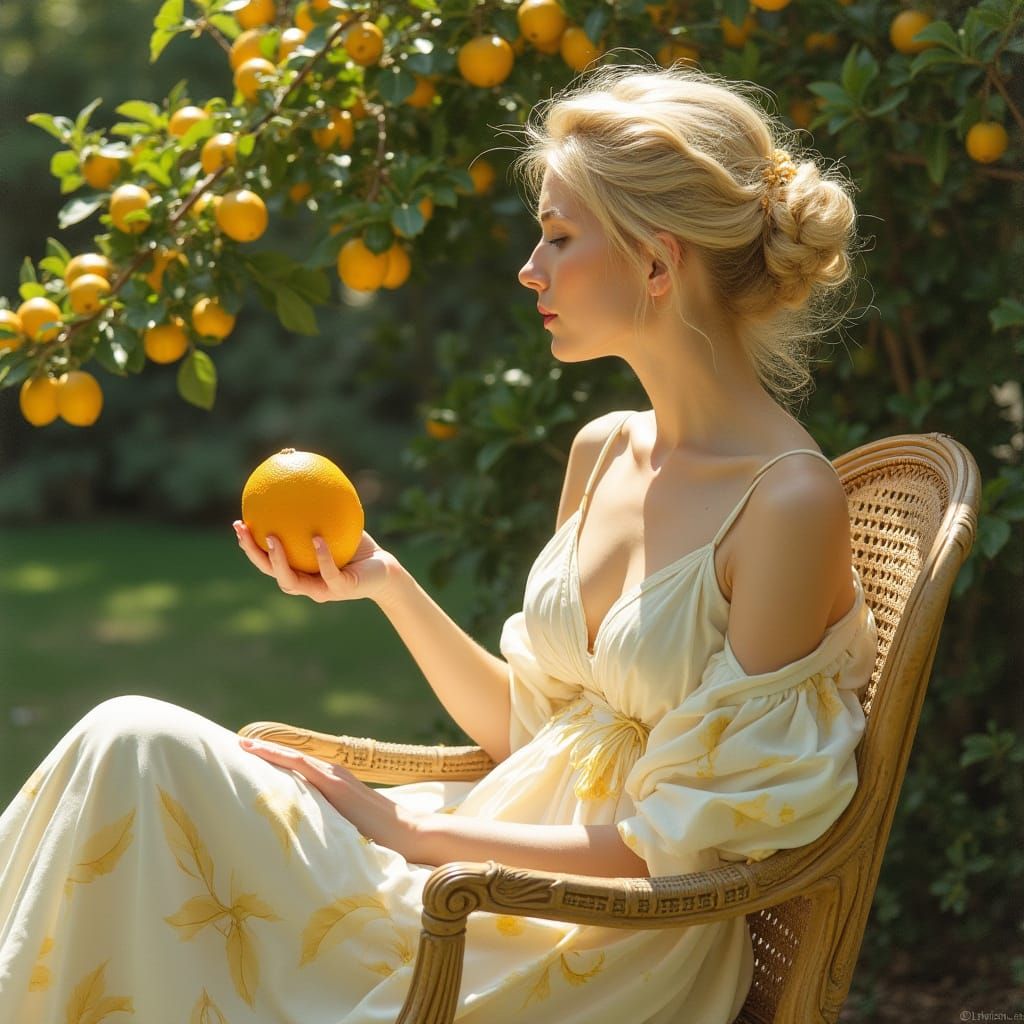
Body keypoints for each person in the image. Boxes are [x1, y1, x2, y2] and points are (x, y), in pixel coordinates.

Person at [0, 60, 878, 1024]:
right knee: (128, 748)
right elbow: (540, 734)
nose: (529, 268)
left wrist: (414, 832)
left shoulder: (788, 503)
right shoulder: (601, 453)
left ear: (658, 265)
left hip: (597, 943)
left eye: (556, 236)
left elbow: (678, 846)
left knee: (136, 743)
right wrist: (382, 581)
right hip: (475, 868)